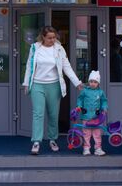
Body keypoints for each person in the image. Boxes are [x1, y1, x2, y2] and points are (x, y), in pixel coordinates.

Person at [23, 26, 83, 155]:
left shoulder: (59, 48)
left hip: (54, 85)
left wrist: (77, 82)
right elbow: (29, 66)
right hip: (37, 84)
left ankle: (52, 140)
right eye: (49, 38)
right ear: (43, 37)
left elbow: (67, 66)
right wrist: (26, 83)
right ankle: (36, 142)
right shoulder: (34, 48)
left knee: (53, 114)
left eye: (54, 37)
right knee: (38, 114)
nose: (52, 40)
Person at [76, 70, 108, 156]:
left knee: (97, 133)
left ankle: (98, 148)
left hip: (96, 117)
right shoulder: (84, 91)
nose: (93, 83)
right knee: (86, 134)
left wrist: (104, 108)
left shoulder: (100, 92)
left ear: (98, 83)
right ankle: (86, 148)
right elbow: (80, 99)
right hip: (86, 116)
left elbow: (104, 101)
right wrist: (79, 106)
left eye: (95, 82)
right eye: (91, 81)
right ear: (88, 82)